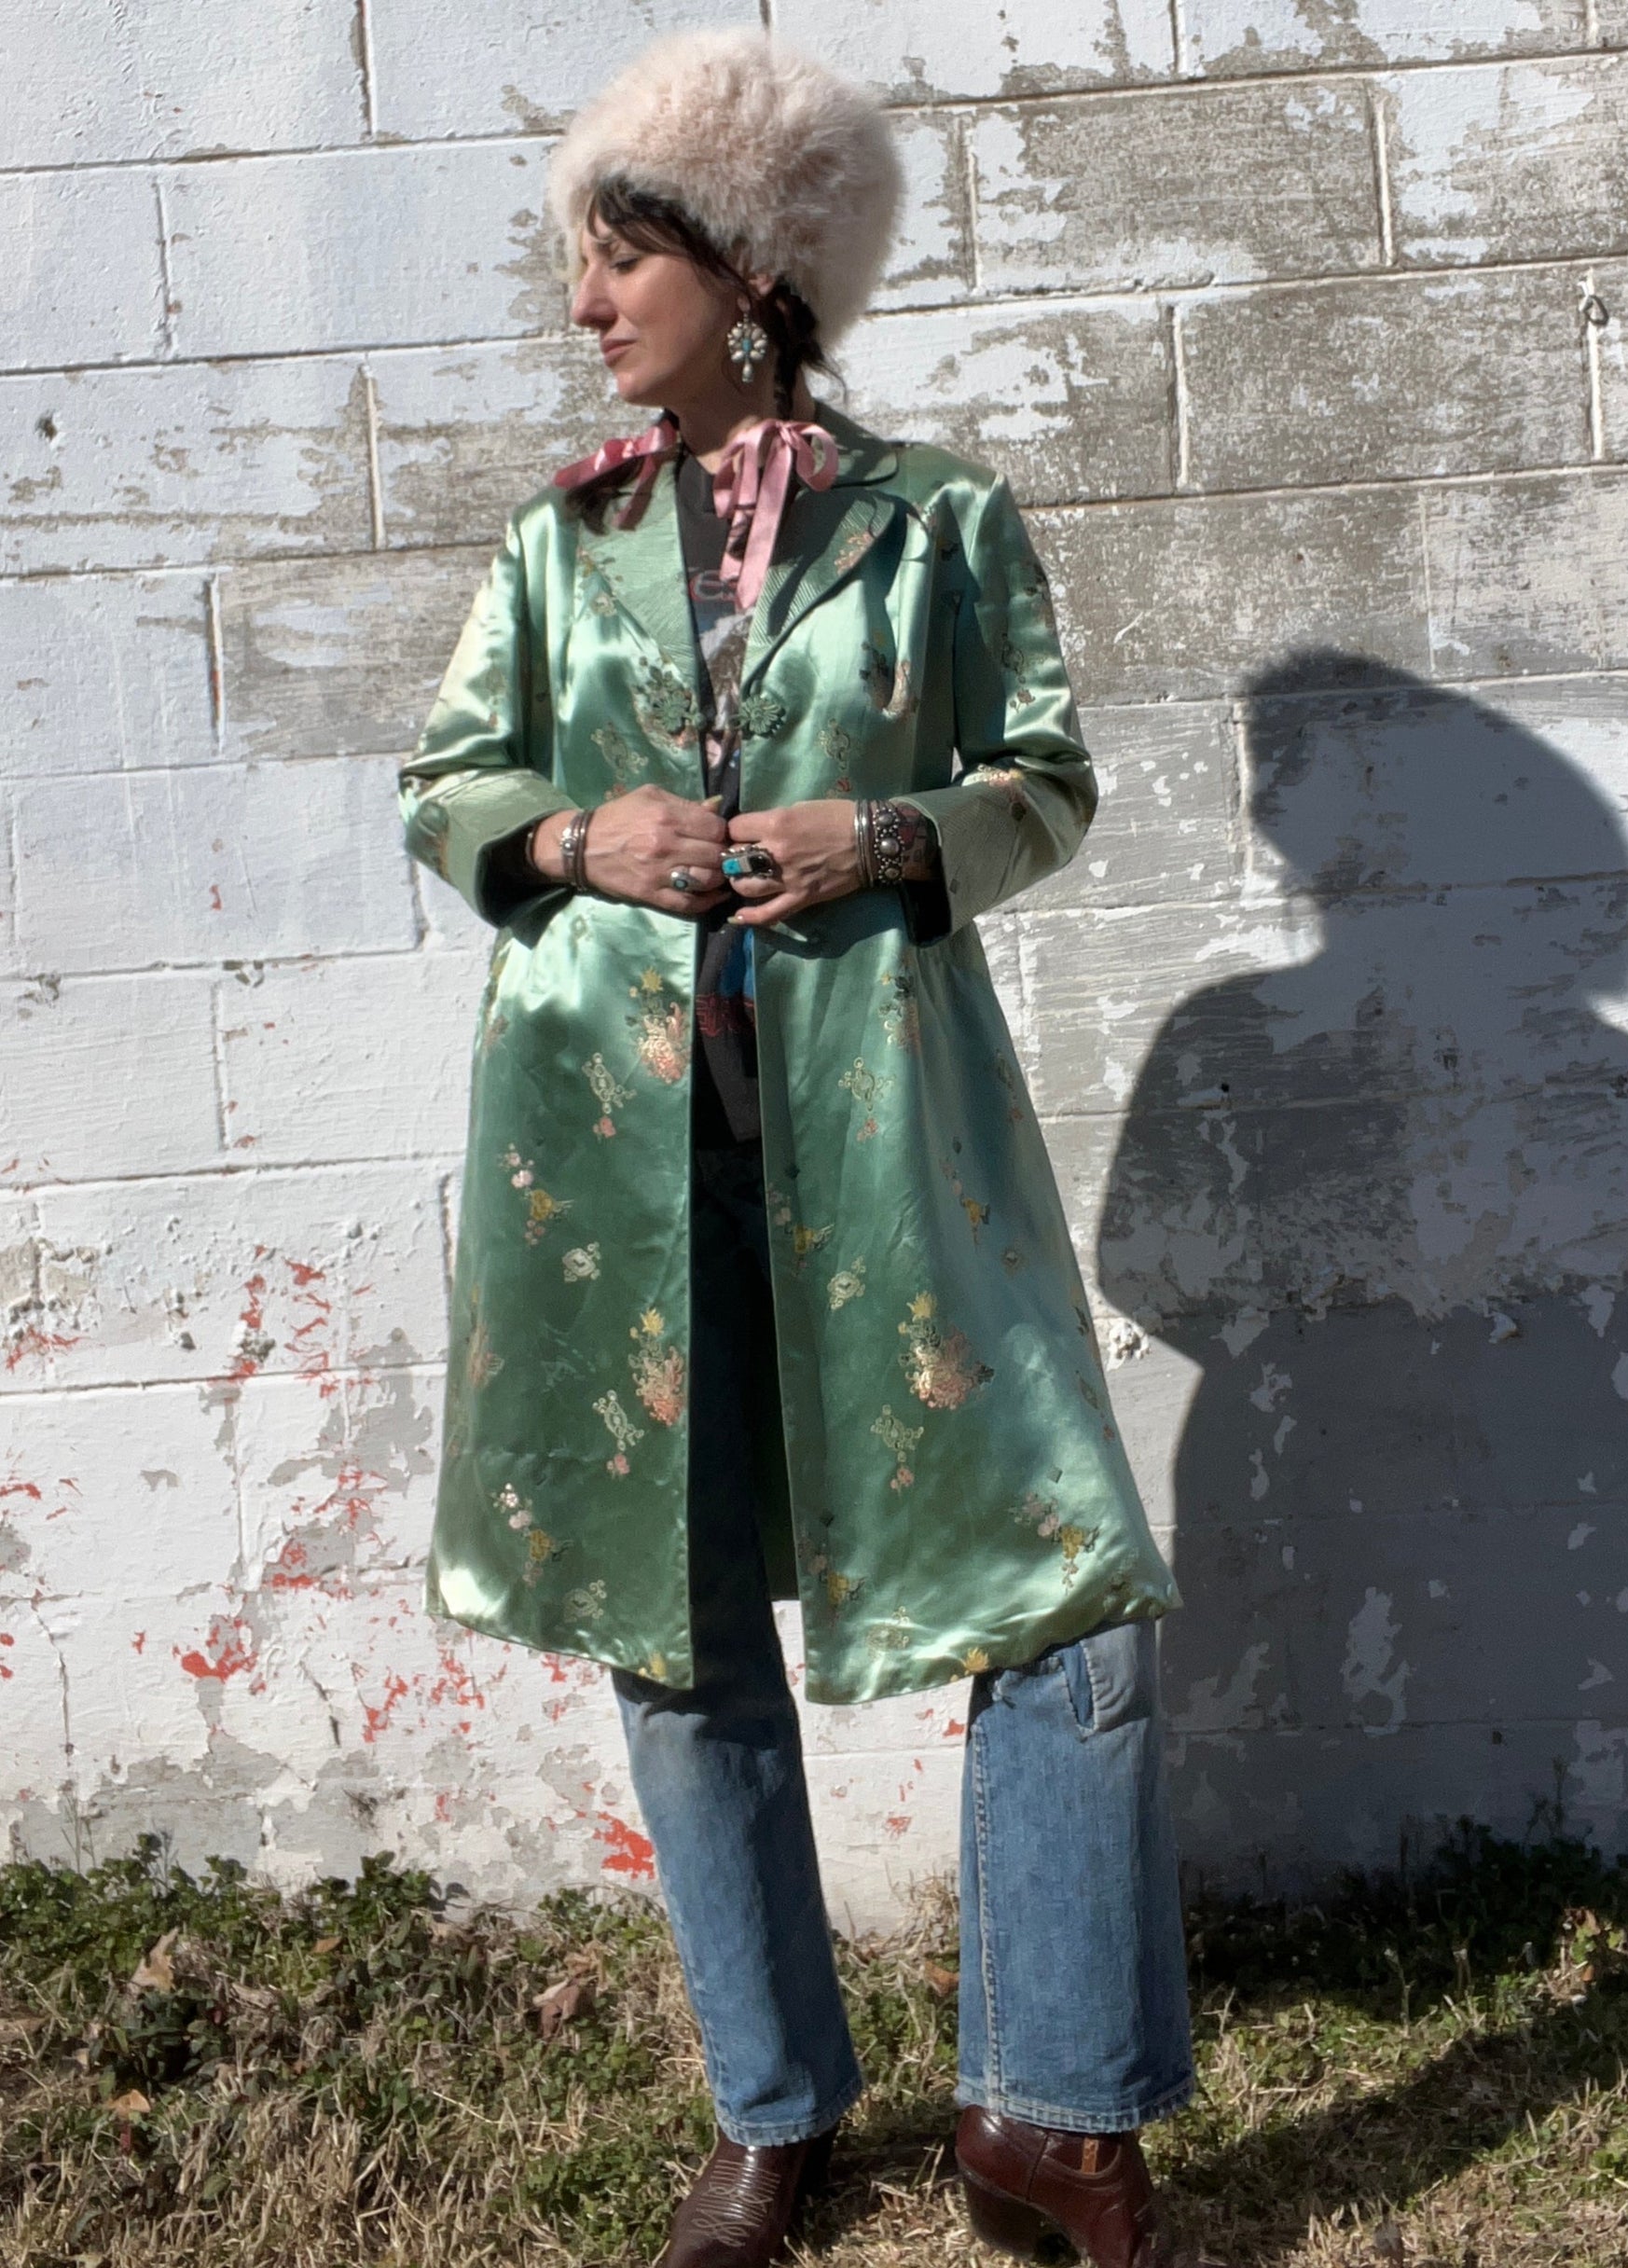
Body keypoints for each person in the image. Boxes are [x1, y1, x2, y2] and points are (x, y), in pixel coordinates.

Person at [397, 28, 1194, 2268]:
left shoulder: (936, 521)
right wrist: (577, 832)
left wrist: (891, 836)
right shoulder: (559, 541)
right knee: (669, 1619)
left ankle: (1046, 2109)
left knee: (1067, 1592)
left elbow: (1043, 780)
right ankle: (773, 2111)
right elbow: (445, 784)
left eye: (617, 258)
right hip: (613, 1156)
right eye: (581, 264)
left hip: (885, 1126)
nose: (584, 304)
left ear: (746, 270)